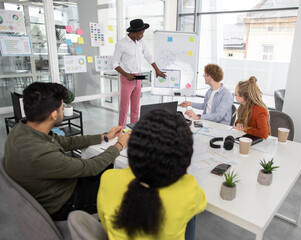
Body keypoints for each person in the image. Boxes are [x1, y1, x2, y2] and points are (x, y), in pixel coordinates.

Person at [3, 82, 130, 221]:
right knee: (125, 187)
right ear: (53, 114)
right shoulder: (40, 153)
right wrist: (119, 145)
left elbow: (67, 142)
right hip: (64, 202)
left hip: (55, 186)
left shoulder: (22, 129)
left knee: (111, 169)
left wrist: (104, 136)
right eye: (62, 108)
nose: (63, 110)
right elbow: (90, 167)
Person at [97, 109, 207, 240]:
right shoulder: (188, 187)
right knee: (189, 217)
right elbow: (200, 205)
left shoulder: (108, 179)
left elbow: (105, 224)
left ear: (134, 146)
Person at [112, 19, 166, 128]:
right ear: (133, 32)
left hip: (138, 77)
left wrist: (157, 70)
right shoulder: (121, 44)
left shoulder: (141, 42)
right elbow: (114, 63)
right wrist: (126, 74)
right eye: (141, 33)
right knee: (124, 107)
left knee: (136, 108)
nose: (142, 35)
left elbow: (148, 56)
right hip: (127, 78)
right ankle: (120, 130)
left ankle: (134, 129)